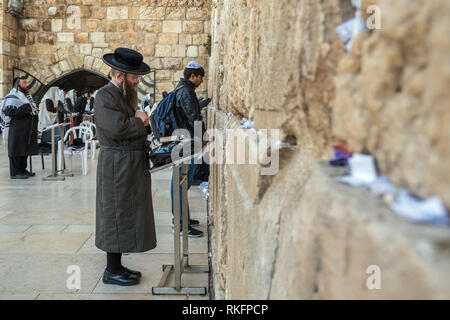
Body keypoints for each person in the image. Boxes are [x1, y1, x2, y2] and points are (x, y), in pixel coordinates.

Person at [94, 47, 156, 286]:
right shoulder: (105, 96)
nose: (137, 80)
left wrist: (143, 122)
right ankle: (111, 270)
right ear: (119, 76)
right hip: (116, 165)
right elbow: (116, 128)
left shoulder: (123, 96)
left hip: (127, 164)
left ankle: (118, 265)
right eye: (134, 77)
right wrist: (139, 120)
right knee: (115, 214)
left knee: (126, 213)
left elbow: (130, 124)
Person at [170, 60, 207, 238]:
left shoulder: (184, 90)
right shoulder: (185, 91)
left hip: (184, 141)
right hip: (187, 143)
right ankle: (181, 224)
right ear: (192, 76)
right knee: (181, 183)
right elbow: (194, 117)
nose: (201, 81)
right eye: (200, 77)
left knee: (181, 182)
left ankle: (183, 218)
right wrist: (204, 137)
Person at [0, 77, 39, 179]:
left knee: (23, 149)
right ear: (18, 85)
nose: (27, 85)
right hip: (16, 128)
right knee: (15, 149)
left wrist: (31, 109)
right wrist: (27, 109)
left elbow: (32, 108)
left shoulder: (26, 97)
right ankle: (15, 173)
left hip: (25, 128)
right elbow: (9, 112)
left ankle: (22, 170)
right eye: (24, 83)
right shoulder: (11, 97)